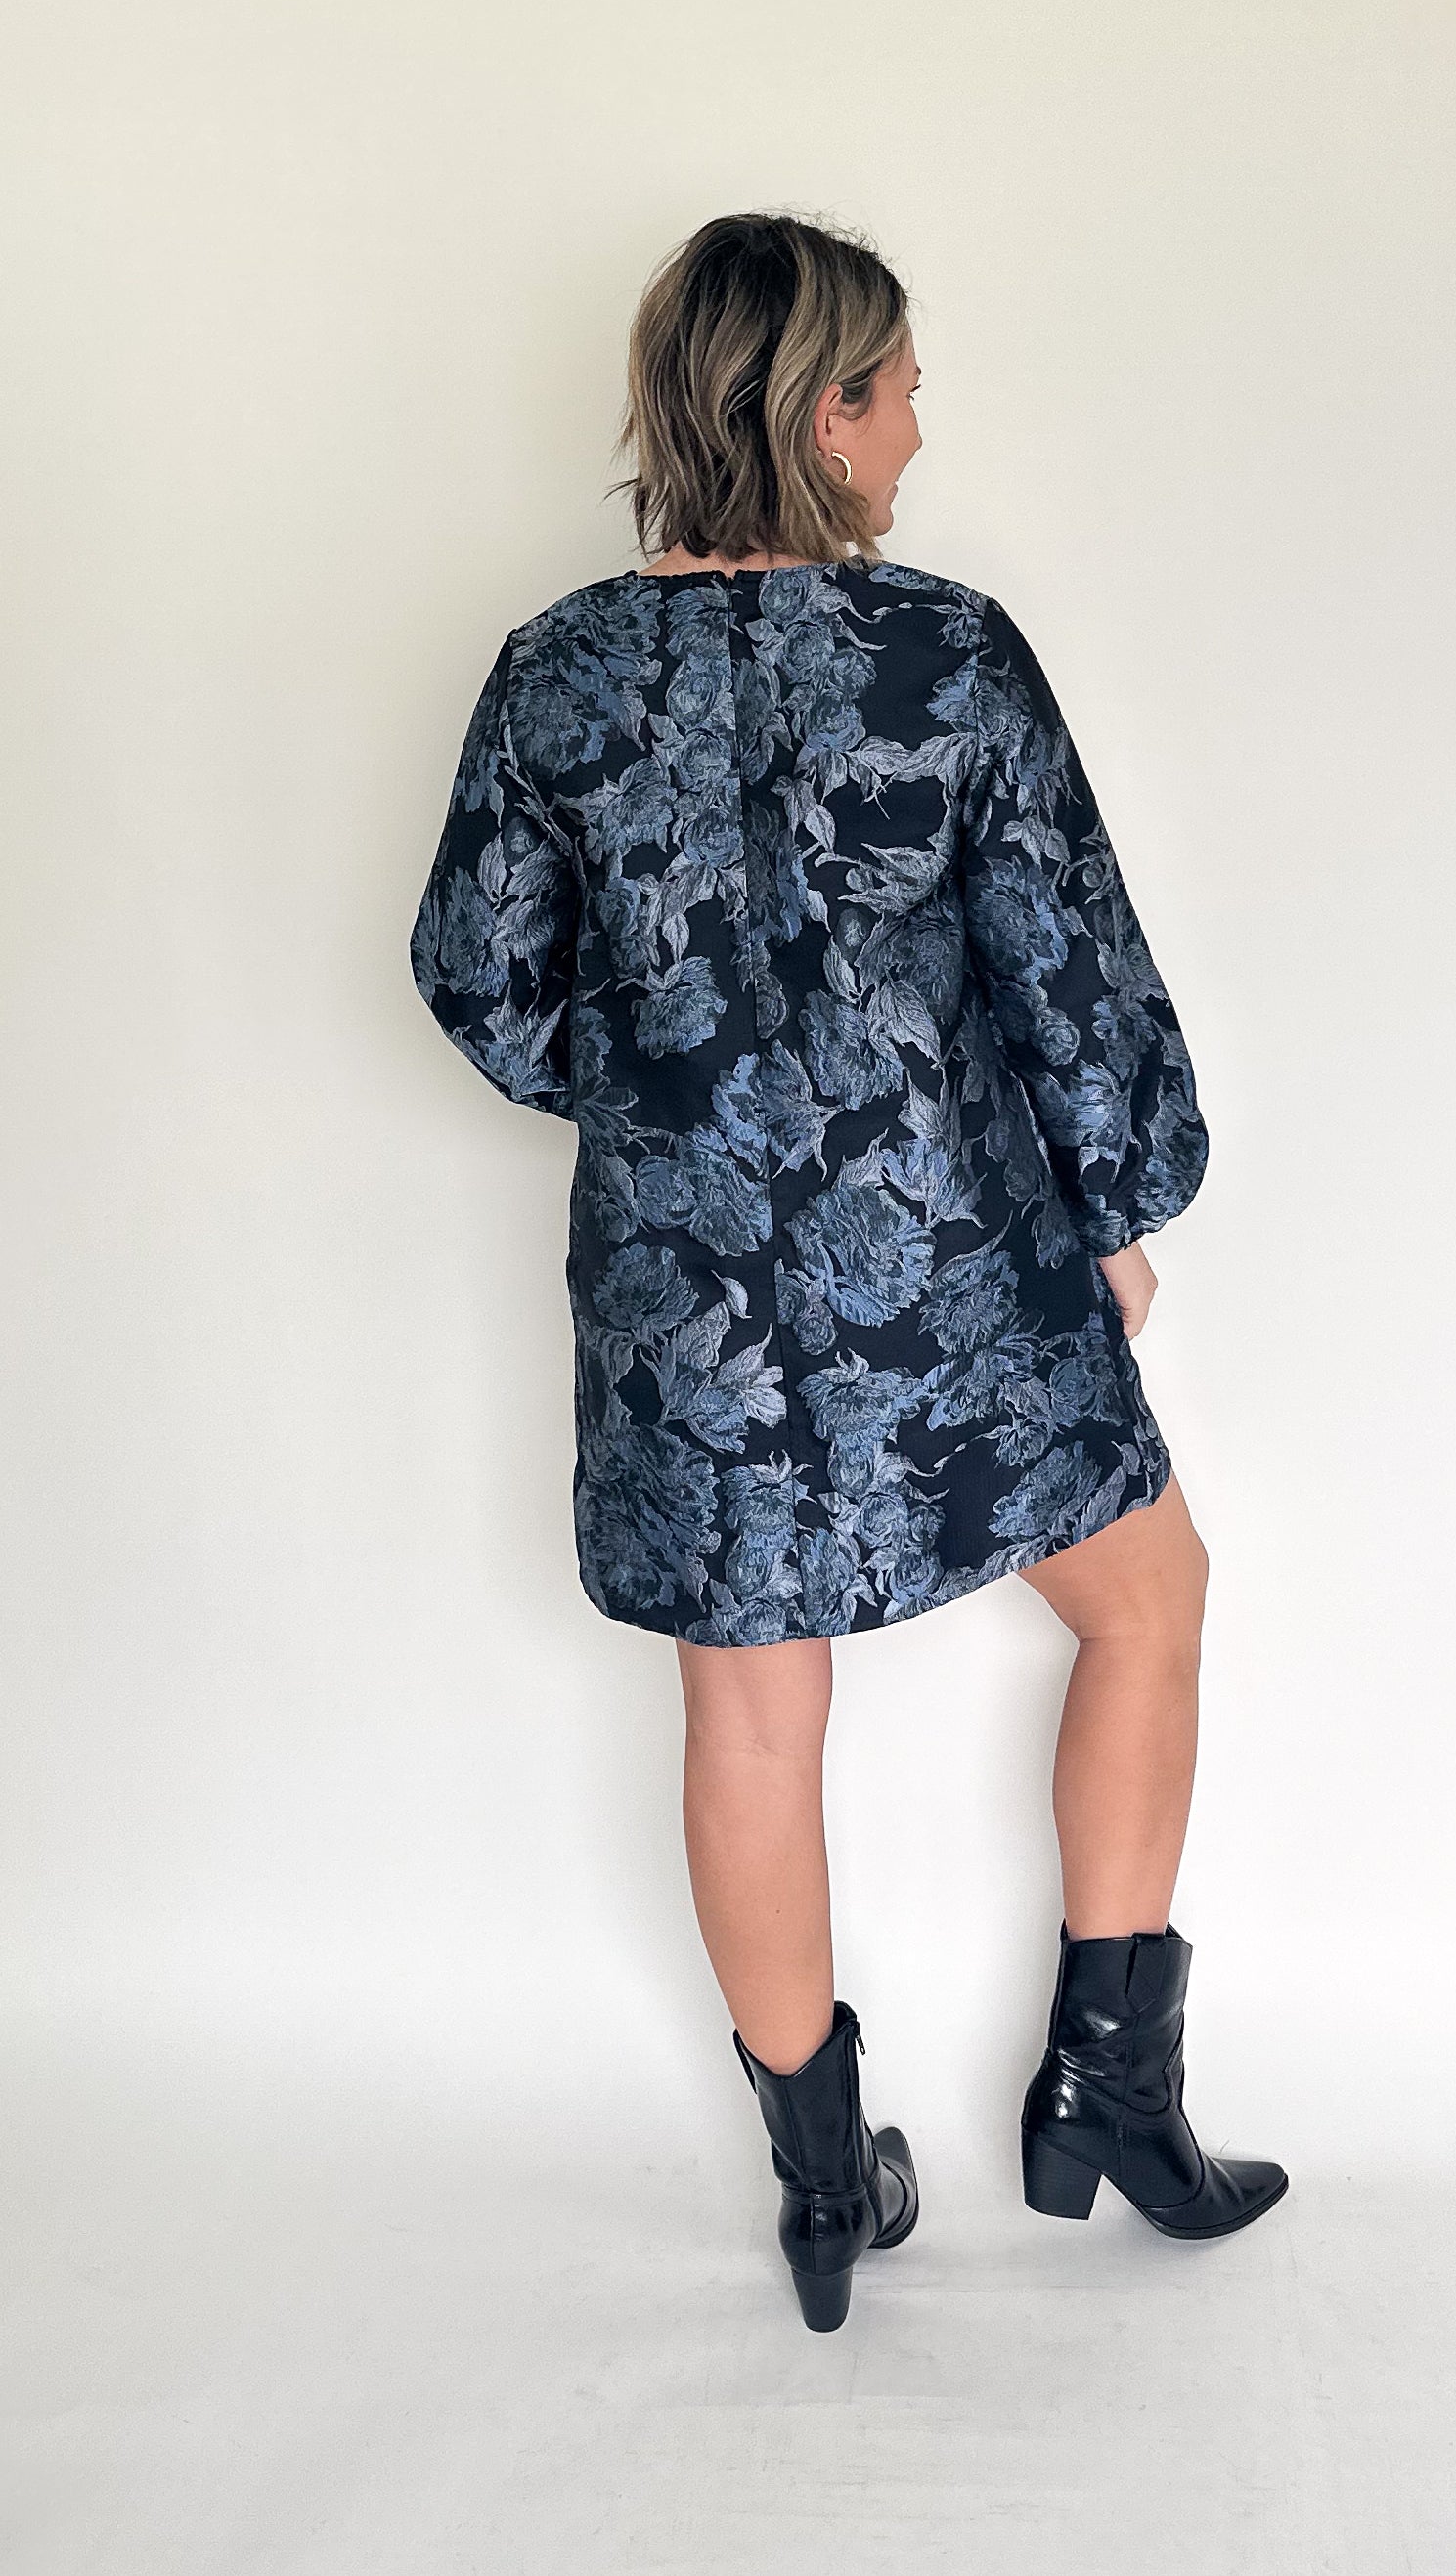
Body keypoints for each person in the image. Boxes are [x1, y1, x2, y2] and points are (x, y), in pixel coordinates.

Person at [410, 212, 1287, 2331]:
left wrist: (677, 1094)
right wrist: (1116, 1207)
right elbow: (1068, 963)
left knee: (746, 1717)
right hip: (958, 1250)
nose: (915, 428)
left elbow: (478, 977)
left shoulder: (554, 673)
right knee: (1147, 1597)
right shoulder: (949, 657)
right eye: (896, 390)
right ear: (822, 414)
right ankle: (1109, 2094)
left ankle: (823, 2192)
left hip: (683, 1287)